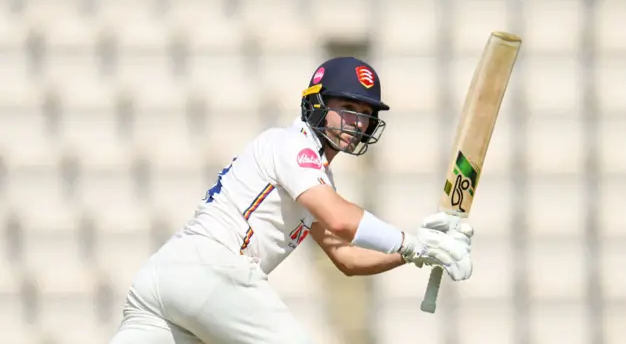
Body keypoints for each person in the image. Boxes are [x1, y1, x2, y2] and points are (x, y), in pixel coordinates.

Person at [109, 57, 475, 344]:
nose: (359, 122)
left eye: (366, 114)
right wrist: (412, 243)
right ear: (316, 104)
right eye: (349, 107)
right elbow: (340, 220)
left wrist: (418, 252)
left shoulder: (312, 175)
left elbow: (345, 256)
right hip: (213, 270)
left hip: (166, 277)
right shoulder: (291, 146)